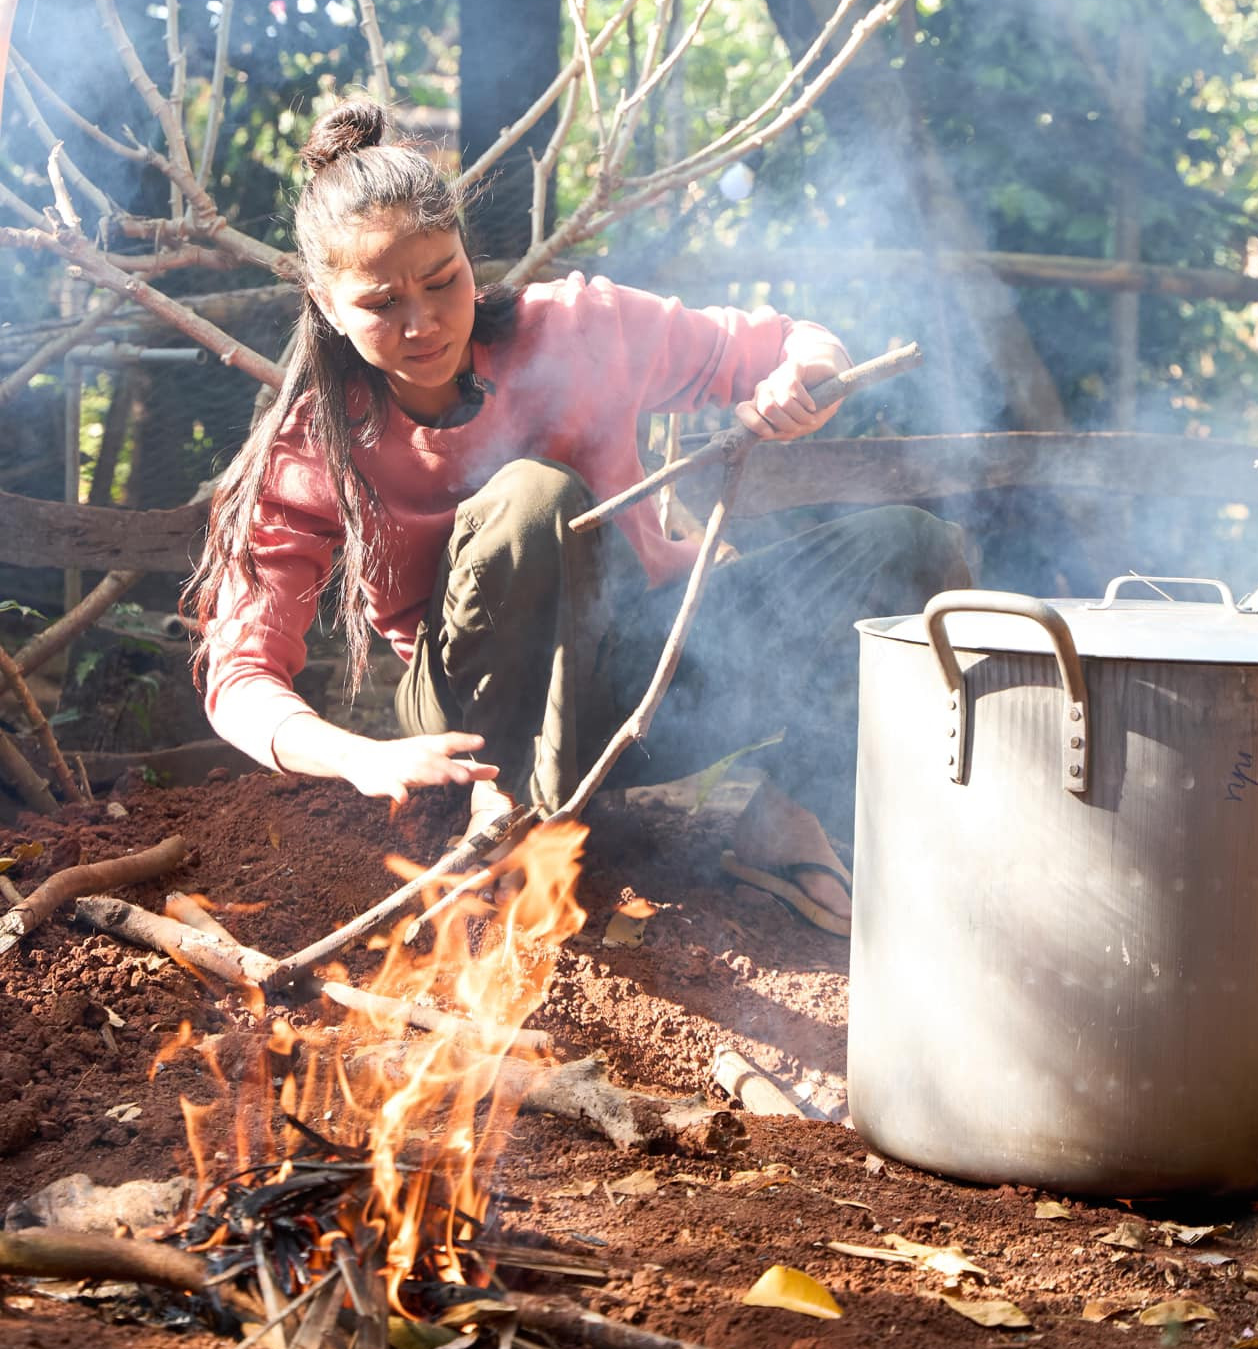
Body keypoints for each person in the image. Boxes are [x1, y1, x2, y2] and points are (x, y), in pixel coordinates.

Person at [190, 98, 969, 935]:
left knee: (910, 548)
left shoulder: (574, 328)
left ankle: (784, 824)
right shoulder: (313, 444)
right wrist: (359, 756)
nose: (422, 324)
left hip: (648, 681)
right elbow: (238, 679)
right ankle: (520, 824)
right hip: (480, 721)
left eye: (443, 280)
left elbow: (792, 342)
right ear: (325, 300)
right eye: (380, 303)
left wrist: (804, 380)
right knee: (537, 499)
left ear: (467, 255)